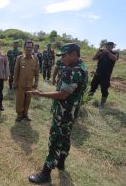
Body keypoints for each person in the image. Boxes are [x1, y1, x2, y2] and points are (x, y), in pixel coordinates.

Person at [27, 44, 88, 184]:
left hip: (64, 113)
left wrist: (41, 94)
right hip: (72, 112)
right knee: (65, 137)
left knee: (55, 141)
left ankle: (45, 173)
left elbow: (62, 94)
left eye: (65, 55)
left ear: (74, 54)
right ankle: (61, 162)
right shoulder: (83, 68)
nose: (62, 58)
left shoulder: (73, 71)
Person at [13, 40, 39, 121]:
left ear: (32, 48)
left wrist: (36, 82)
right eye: (27, 47)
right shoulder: (19, 58)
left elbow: (37, 72)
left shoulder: (35, 59)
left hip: (30, 85)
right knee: (20, 100)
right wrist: (14, 82)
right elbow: (16, 71)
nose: (29, 49)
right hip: (20, 84)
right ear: (24, 48)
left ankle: (25, 114)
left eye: (30, 47)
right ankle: (19, 114)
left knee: (28, 100)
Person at [88, 41, 119, 107]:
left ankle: (102, 105)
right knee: (92, 88)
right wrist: (98, 52)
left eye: (108, 46)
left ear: (112, 46)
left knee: (104, 90)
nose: (107, 47)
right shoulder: (102, 53)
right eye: (106, 46)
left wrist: (107, 52)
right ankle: (87, 100)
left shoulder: (115, 53)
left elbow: (115, 58)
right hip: (97, 74)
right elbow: (93, 58)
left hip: (106, 75)